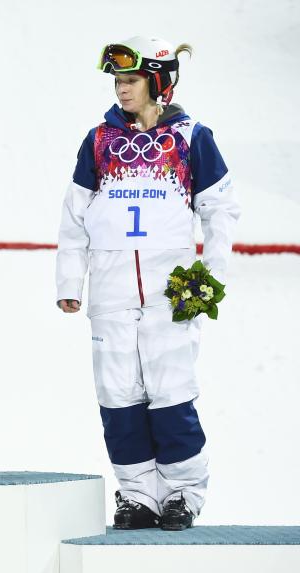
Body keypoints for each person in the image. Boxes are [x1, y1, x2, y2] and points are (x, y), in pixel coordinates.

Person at [56, 36, 240, 531]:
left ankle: (183, 494)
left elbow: (220, 212)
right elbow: (74, 219)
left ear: (159, 82)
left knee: (171, 396)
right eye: (117, 81)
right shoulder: (97, 142)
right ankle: (138, 495)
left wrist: (209, 278)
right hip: (111, 297)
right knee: (118, 400)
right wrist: (70, 281)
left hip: (170, 296)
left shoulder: (191, 138)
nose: (121, 90)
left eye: (131, 80)